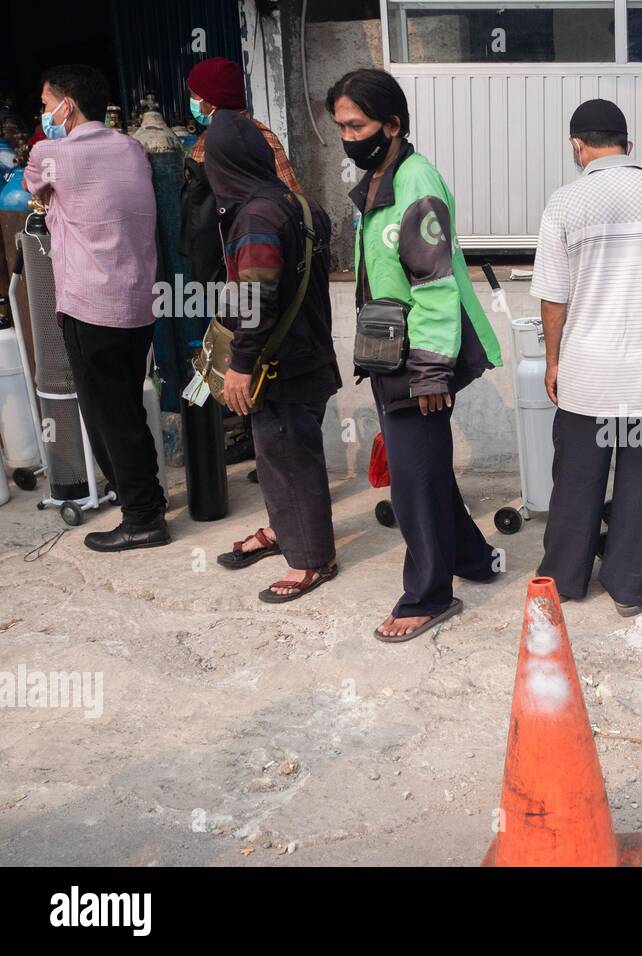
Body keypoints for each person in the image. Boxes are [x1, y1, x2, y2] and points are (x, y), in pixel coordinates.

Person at [328, 68, 502, 642]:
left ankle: (427, 594)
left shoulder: (415, 179)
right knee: (422, 471)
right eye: (341, 127)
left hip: (421, 355)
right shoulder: (383, 175)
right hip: (392, 350)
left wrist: (430, 371)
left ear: (393, 124)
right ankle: (473, 560)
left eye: (357, 124)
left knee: (413, 481)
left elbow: (433, 284)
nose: (348, 136)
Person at [530, 98, 642, 616]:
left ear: (577, 145)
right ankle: (632, 588)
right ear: (629, 146)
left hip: (589, 372)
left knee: (576, 480)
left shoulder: (564, 202)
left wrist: (552, 360)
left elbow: (552, 294)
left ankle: (565, 580)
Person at [23, 64, 169, 552]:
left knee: (110, 417)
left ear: (67, 105)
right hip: (138, 302)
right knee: (126, 406)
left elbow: (30, 189)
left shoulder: (50, 152)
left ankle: (143, 518)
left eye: (46, 105)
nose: (44, 115)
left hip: (90, 305)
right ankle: (147, 500)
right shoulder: (131, 148)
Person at [204, 112, 341, 602]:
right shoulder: (299, 204)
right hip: (309, 356)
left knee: (288, 458)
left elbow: (258, 298)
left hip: (280, 366)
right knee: (281, 453)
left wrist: (240, 363)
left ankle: (311, 560)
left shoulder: (256, 217)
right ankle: (288, 531)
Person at [180, 56, 302, 473]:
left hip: (250, 264)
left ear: (210, 99)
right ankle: (257, 438)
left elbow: (283, 206)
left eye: (196, 94)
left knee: (251, 348)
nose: (193, 102)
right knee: (239, 347)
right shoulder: (238, 137)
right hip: (236, 265)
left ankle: (265, 440)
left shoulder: (238, 140)